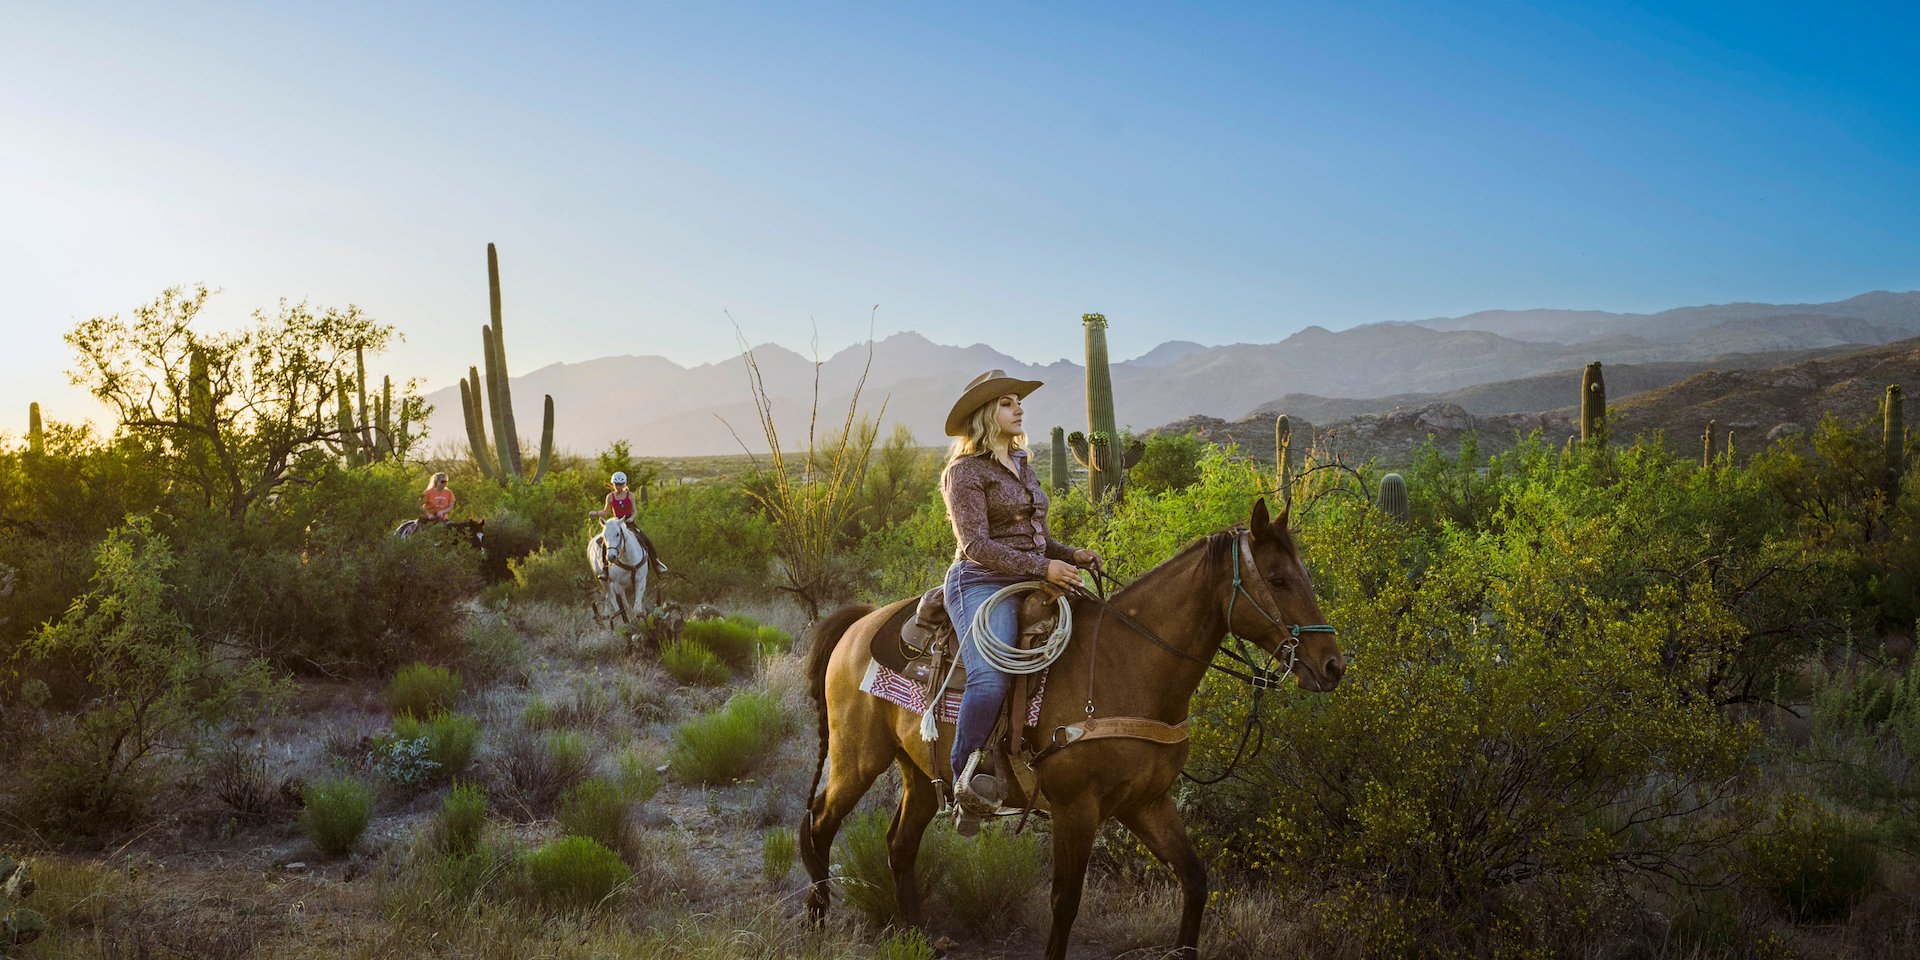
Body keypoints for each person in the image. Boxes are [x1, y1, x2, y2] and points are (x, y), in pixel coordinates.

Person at [940, 369, 1102, 833]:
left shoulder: (1022, 463)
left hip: (1030, 575)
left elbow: (1039, 539)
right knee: (989, 678)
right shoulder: (964, 472)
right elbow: (976, 545)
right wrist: (1043, 568)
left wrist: (1070, 555)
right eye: (1007, 403)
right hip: (981, 580)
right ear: (985, 414)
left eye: (1018, 401)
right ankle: (965, 784)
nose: (1019, 409)